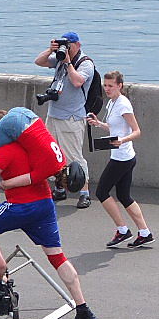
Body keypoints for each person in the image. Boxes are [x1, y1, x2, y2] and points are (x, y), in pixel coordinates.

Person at [0, 110, 97, 319]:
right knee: (57, 256)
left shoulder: (6, 150)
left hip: (20, 206)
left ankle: (0, 277)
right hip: (44, 205)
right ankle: (83, 308)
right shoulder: (32, 149)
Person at [86, 71, 154, 248]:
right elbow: (114, 127)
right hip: (122, 156)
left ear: (120, 86)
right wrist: (99, 124)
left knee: (101, 192)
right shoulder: (112, 102)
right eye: (105, 85)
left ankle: (123, 230)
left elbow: (137, 131)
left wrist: (122, 140)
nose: (106, 89)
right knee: (124, 196)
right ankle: (145, 233)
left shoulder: (124, 105)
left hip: (122, 158)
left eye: (110, 86)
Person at [35, 31, 94, 208]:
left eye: (69, 45)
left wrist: (68, 61)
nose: (66, 48)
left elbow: (77, 82)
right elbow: (39, 62)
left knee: (74, 156)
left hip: (72, 117)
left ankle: (85, 193)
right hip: (54, 114)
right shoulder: (59, 58)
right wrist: (50, 50)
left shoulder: (86, 64)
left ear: (78, 45)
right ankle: (60, 188)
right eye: (64, 45)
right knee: (53, 154)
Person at [0, 106, 67, 189]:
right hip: (15, 126)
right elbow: (8, 183)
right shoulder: (45, 171)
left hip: (26, 114)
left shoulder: (62, 158)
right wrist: (3, 184)